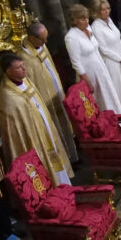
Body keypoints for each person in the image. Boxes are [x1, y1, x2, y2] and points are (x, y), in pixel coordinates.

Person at [0, 54, 74, 185]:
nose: (24, 69)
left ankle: (62, 184)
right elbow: (17, 129)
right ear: (8, 71)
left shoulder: (25, 80)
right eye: (19, 67)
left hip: (44, 127)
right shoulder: (7, 96)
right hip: (33, 135)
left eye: (23, 65)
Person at [18, 22, 79, 164]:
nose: (45, 42)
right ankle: (65, 161)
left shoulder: (41, 45)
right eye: (42, 39)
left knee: (66, 125)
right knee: (56, 130)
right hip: (46, 101)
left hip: (57, 93)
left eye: (46, 38)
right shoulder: (25, 59)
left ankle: (73, 155)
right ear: (32, 38)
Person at [64, 4, 121, 114]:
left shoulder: (88, 29)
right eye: (82, 19)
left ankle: (118, 117)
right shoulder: (71, 37)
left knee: (110, 95)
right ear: (74, 20)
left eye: (87, 18)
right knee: (100, 100)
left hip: (101, 68)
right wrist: (87, 81)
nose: (86, 21)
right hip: (90, 73)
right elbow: (76, 62)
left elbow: (96, 49)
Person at [88, 0, 121, 114]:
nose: (106, 12)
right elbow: (103, 49)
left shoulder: (109, 21)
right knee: (119, 88)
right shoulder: (96, 27)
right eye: (103, 10)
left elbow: (118, 39)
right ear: (96, 12)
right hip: (111, 62)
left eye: (108, 9)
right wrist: (119, 58)